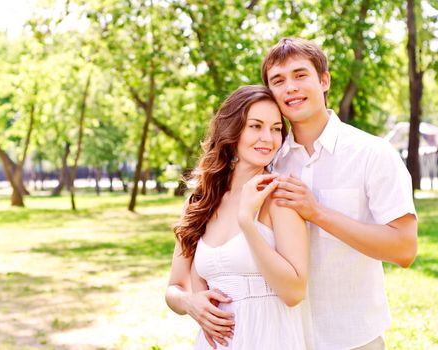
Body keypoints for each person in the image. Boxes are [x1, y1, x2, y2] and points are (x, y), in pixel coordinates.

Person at [260, 37, 418, 349]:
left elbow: (404, 249)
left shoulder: (372, 153)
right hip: (283, 337)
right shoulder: (268, 161)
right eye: (278, 80)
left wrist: (316, 213)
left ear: (324, 80)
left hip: (353, 337)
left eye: (300, 75)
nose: (290, 87)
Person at [165, 85, 314, 349]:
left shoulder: (280, 197)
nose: (267, 138)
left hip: (269, 338)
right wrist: (190, 303)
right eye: (255, 126)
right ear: (232, 130)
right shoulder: (200, 200)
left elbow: (294, 292)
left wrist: (248, 223)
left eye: (276, 128)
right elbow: (175, 287)